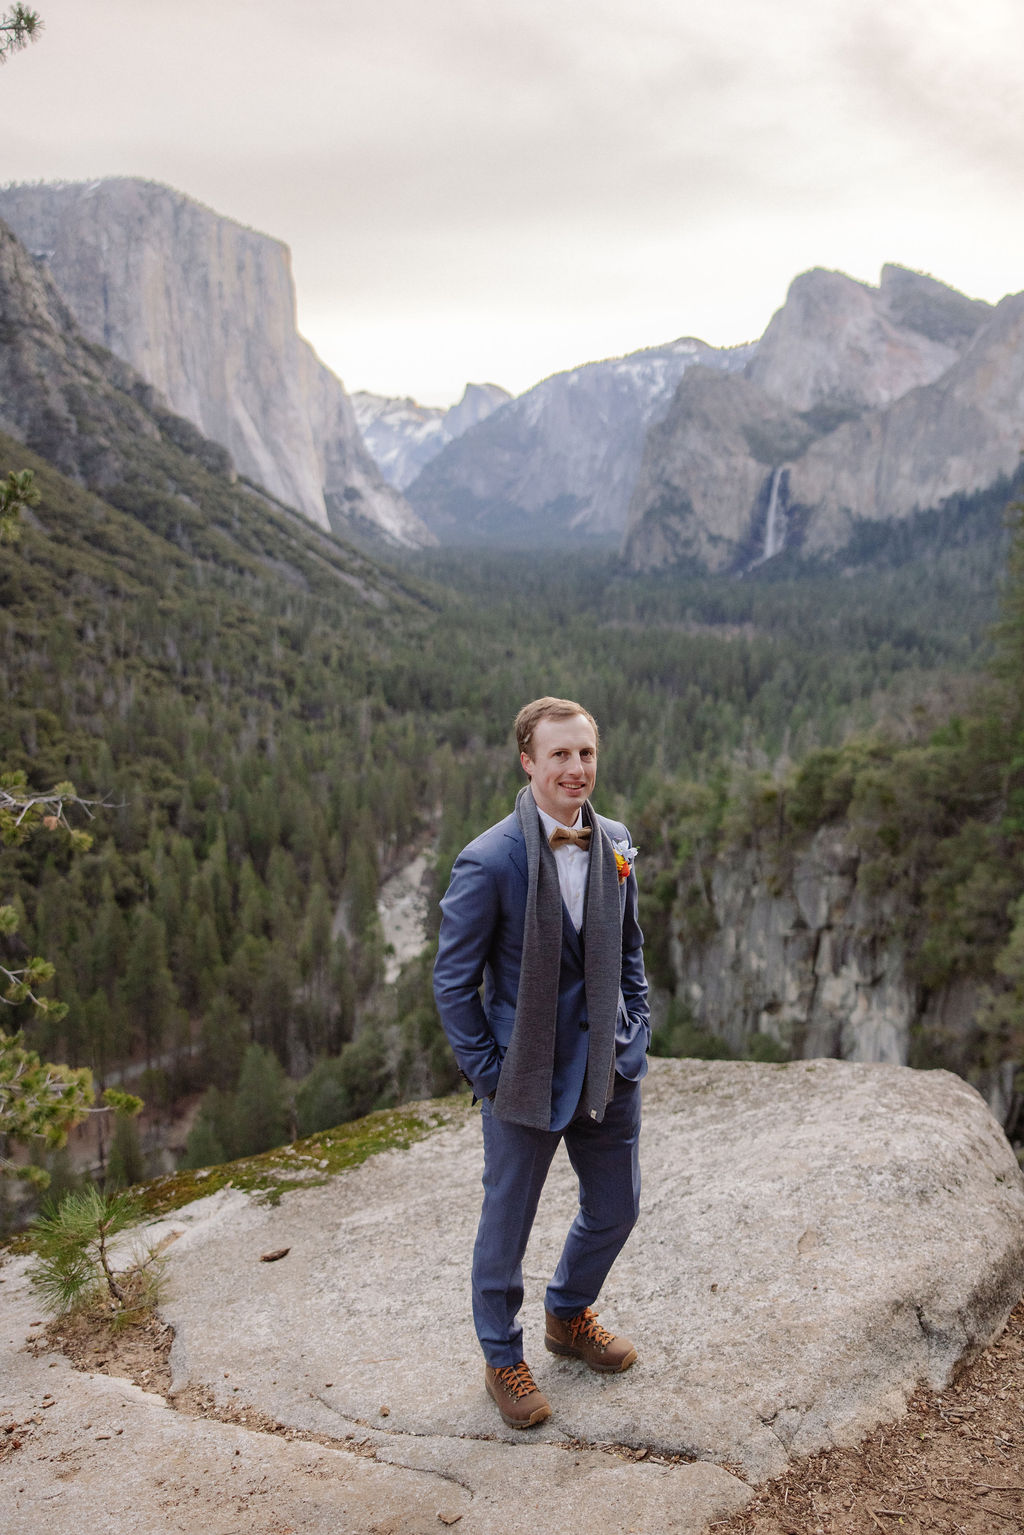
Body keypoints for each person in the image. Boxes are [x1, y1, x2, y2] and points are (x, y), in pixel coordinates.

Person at [433, 696, 650, 1429]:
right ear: (528, 761)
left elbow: (630, 949)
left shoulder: (616, 840)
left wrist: (636, 1028)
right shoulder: (489, 858)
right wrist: (491, 1074)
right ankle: (503, 1356)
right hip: (522, 1075)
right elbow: (453, 981)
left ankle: (567, 1314)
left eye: (585, 753)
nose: (575, 768)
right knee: (506, 1228)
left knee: (617, 1207)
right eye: (559, 754)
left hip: (607, 1067)